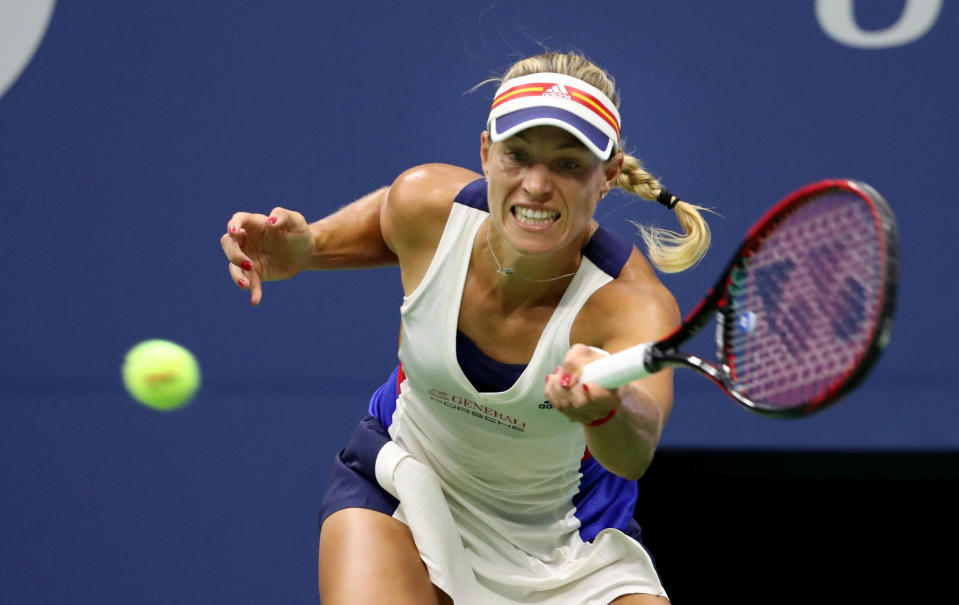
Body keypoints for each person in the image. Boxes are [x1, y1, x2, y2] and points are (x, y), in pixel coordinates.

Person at [220, 51, 710, 605]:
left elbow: (635, 450)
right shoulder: (425, 204)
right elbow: (385, 225)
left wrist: (607, 407)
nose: (537, 184)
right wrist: (306, 250)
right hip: (406, 484)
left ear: (608, 176)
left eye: (569, 164)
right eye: (518, 156)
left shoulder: (629, 305)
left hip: (568, 548)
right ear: (485, 153)